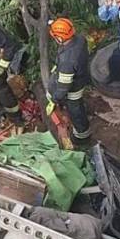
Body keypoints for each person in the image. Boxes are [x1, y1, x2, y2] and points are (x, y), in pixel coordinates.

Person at [48, 18, 92, 146]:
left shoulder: (68, 60)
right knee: (76, 107)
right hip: (81, 76)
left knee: (76, 111)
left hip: (74, 88)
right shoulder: (79, 39)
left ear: (60, 38)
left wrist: (55, 99)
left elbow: (63, 87)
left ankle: (82, 137)